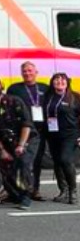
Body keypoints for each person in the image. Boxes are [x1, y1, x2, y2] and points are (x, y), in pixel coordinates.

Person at [0, 77, 38, 209]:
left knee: (23, 163)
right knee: (4, 167)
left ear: (1, 86)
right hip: (6, 142)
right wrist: (2, 150)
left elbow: (26, 124)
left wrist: (21, 145)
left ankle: (26, 196)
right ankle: (15, 195)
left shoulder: (15, 101)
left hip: (27, 139)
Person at [6, 61, 49, 200]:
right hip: (21, 131)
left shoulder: (45, 88)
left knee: (37, 161)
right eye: (24, 71)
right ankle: (18, 189)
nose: (27, 73)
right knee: (21, 161)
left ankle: (35, 189)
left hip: (40, 129)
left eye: (30, 70)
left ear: (36, 72)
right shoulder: (14, 88)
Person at [41, 73, 80, 204]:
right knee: (57, 162)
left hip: (70, 134)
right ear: (52, 83)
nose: (59, 82)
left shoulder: (75, 97)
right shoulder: (47, 97)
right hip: (53, 134)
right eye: (56, 80)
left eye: (62, 80)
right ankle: (63, 191)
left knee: (65, 159)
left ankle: (73, 191)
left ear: (67, 82)